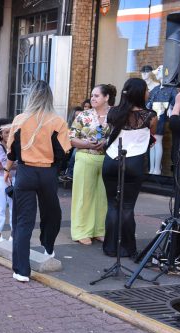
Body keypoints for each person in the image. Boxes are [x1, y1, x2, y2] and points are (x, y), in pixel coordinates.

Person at [4, 80, 71, 282]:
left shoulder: (20, 120)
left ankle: (21, 270)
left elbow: (12, 151)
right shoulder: (58, 122)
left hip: (25, 172)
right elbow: (63, 152)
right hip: (48, 173)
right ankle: (48, 246)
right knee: (52, 213)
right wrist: (53, 167)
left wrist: (7, 170)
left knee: (23, 222)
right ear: (49, 97)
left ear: (30, 96)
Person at [102, 78, 157, 258]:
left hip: (111, 160)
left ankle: (110, 248)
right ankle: (127, 248)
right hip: (134, 162)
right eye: (146, 90)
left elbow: (109, 131)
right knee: (127, 206)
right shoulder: (150, 116)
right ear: (140, 93)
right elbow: (151, 136)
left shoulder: (113, 112)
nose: (148, 92)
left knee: (112, 205)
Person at [68, 84, 115, 245]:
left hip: (107, 159)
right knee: (83, 196)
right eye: (92, 95)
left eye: (96, 96)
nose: (92, 98)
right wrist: (87, 144)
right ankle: (81, 231)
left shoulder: (114, 114)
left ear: (106, 97)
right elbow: (71, 138)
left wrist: (106, 142)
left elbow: (119, 135)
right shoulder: (83, 115)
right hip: (85, 157)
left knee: (103, 197)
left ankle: (99, 230)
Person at [0, 120, 14, 244]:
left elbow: (5, 165)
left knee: (14, 207)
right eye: (6, 132)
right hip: (1, 179)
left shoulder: (15, 146)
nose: (9, 135)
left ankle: (13, 235)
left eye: (11, 132)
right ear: (0, 135)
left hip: (13, 178)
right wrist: (12, 165)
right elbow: (4, 164)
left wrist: (7, 166)